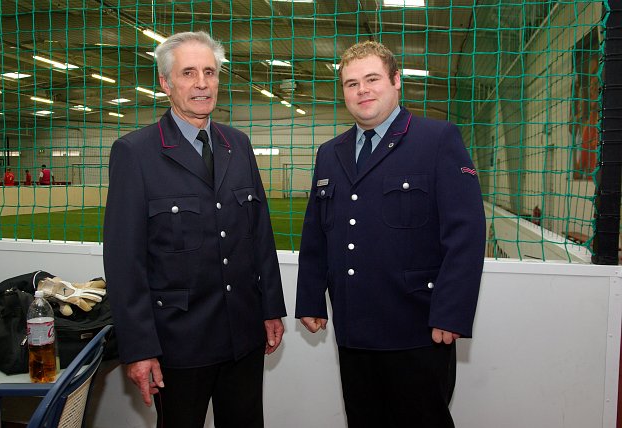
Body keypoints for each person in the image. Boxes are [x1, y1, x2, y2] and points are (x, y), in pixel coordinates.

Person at [295, 40, 486, 428]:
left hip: (417, 327)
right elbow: (316, 233)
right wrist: (310, 298)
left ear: (396, 80)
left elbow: (466, 235)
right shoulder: (329, 153)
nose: (362, 90)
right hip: (353, 328)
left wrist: (451, 313)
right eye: (351, 84)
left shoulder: (437, 139)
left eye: (372, 79)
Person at [103, 31, 286, 428]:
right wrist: (139, 348)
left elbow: (260, 235)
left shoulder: (238, 145)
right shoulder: (136, 153)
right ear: (166, 83)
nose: (202, 83)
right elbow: (124, 262)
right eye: (188, 73)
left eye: (210, 72)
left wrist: (271, 308)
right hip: (178, 342)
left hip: (243, 333)